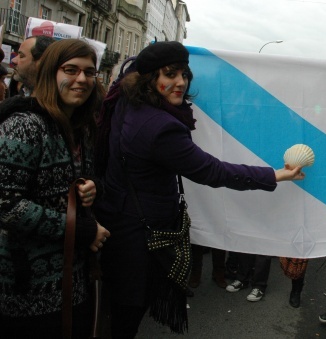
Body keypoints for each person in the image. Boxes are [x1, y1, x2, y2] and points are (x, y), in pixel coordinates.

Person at [93, 41, 305, 338]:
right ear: (149, 78)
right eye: (170, 74)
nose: (180, 82)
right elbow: (212, 171)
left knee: (116, 315)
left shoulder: (124, 101)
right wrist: (275, 175)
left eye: (184, 73)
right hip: (141, 239)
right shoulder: (161, 126)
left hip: (118, 224)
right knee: (126, 318)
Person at [0, 38, 110, 338]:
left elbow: (78, 179)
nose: (82, 79)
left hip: (72, 280)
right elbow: (6, 206)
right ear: (51, 73)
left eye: (89, 72)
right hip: (28, 291)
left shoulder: (81, 128)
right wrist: (82, 230)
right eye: (70, 70)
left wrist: (92, 187)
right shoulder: (24, 126)